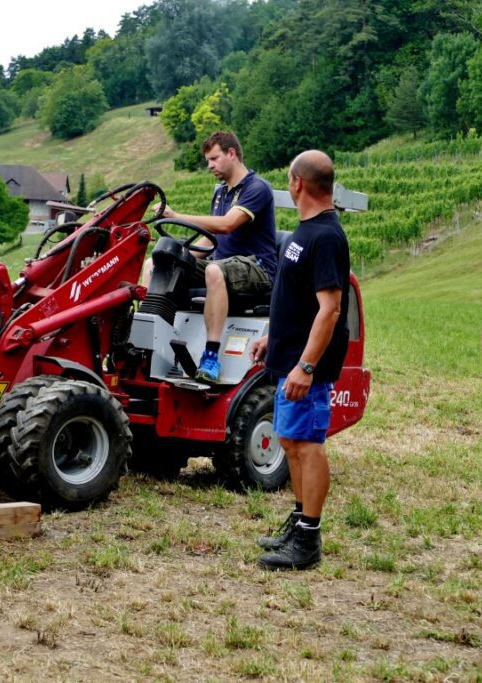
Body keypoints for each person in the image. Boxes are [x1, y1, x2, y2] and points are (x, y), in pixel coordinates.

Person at [249, 150, 350, 571]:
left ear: (297, 184)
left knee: (308, 446)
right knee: (291, 442)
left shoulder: (326, 236)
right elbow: (298, 298)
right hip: (287, 357)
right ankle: (298, 520)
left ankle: (309, 538)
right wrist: (273, 336)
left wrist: (306, 367)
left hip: (305, 367)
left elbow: (329, 309)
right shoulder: (305, 233)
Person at [146, 131, 277, 383]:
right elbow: (209, 240)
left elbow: (227, 225)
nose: (210, 166)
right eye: (207, 160)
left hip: (257, 268)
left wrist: (176, 216)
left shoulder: (256, 188)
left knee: (213, 270)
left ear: (231, 153)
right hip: (222, 264)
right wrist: (180, 257)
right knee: (157, 263)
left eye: (214, 159)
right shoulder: (220, 193)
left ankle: (211, 357)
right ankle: (150, 342)